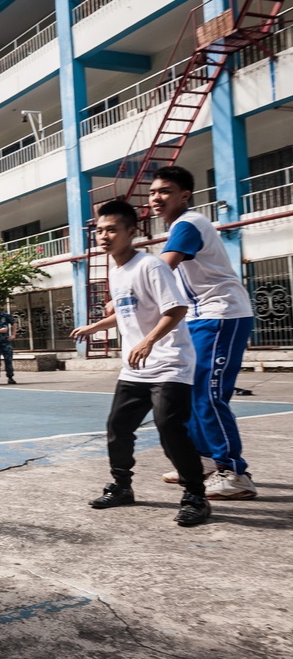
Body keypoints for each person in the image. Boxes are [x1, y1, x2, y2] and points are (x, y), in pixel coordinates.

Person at [70, 199, 210, 526]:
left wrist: (148, 341)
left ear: (131, 232)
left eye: (112, 230)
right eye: (100, 231)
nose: (104, 237)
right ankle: (121, 486)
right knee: (118, 427)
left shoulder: (151, 265)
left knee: (169, 428)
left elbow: (175, 309)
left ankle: (196, 496)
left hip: (171, 363)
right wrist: (96, 326)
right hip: (136, 367)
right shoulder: (118, 272)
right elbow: (128, 310)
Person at [151, 165, 257, 500]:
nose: (156, 198)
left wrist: (129, 292)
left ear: (185, 196)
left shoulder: (188, 223)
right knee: (190, 392)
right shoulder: (178, 229)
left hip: (222, 315)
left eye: (165, 191)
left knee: (208, 395)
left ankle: (234, 473)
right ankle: (203, 464)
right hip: (199, 318)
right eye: (153, 192)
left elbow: (162, 269)